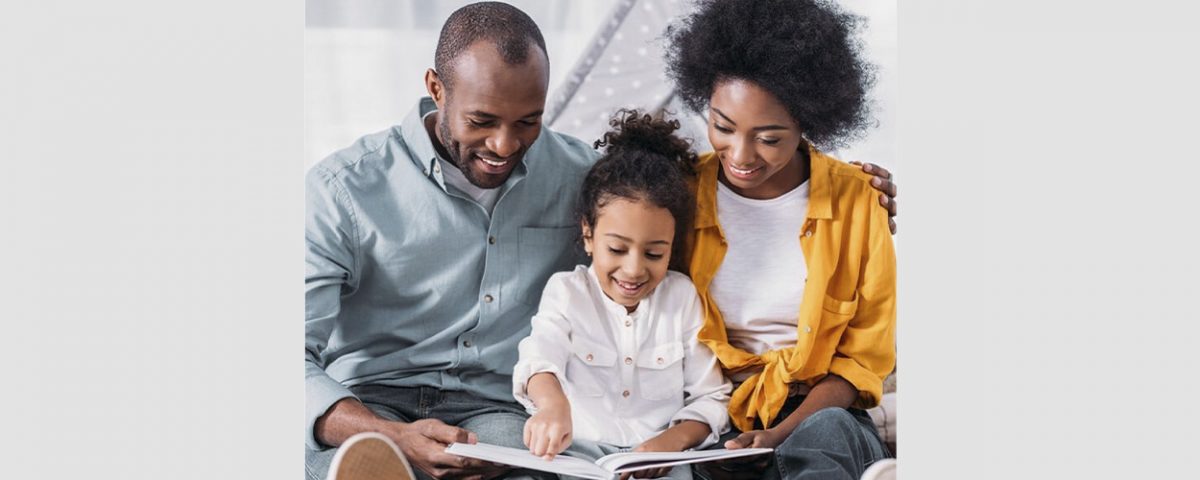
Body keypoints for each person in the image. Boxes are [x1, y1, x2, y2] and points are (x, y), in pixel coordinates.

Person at [305, 2, 899, 479]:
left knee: (544, 466)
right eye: (482, 121)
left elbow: (640, 217)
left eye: (529, 121)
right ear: (437, 88)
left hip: (499, 412)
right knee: (337, 459)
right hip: (373, 396)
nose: (507, 146)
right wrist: (391, 434)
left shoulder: (580, 174)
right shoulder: (343, 191)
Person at [663, 0, 897, 479]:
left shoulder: (858, 201)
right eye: (722, 127)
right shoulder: (680, 195)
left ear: (807, 122)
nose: (740, 154)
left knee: (824, 439)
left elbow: (860, 361)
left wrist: (779, 433)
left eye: (769, 138)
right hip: (715, 405)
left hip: (823, 411)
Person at [513, 111, 733, 480]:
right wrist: (551, 406)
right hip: (581, 455)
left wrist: (671, 441)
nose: (633, 270)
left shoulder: (680, 298)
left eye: (653, 254)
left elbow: (712, 398)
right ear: (588, 235)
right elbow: (538, 360)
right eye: (616, 249)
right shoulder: (566, 292)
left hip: (660, 461)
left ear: (672, 247)